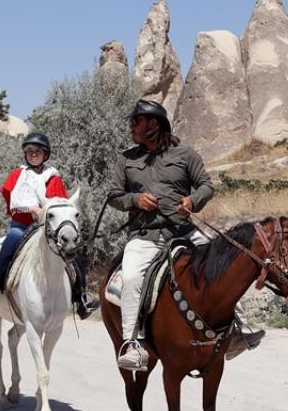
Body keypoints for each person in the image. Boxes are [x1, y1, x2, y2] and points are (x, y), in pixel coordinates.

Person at [106, 100, 264, 371]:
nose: (131, 127)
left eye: (136, 121)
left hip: (183, 231)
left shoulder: (185, 154)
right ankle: (132, 345)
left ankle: (238, 330)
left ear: (153, 124)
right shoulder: (126, 159)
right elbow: (113, 195)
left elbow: (206, 186)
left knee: (222, 267)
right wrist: (134, 200)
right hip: (145, 236)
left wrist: (192, 201)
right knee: (132, 278)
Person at [0, 132, 96, 319]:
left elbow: (60, 203)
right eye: (29, 150)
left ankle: (81, 300)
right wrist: (31, 208)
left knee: (73, 255)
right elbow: (12, 198)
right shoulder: (18, 174)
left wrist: (44, 212)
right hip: (22, 226)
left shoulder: (53, 177)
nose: (33, 154)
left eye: (38, 151)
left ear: (45, 154)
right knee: (9, 247)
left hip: (45, 229)